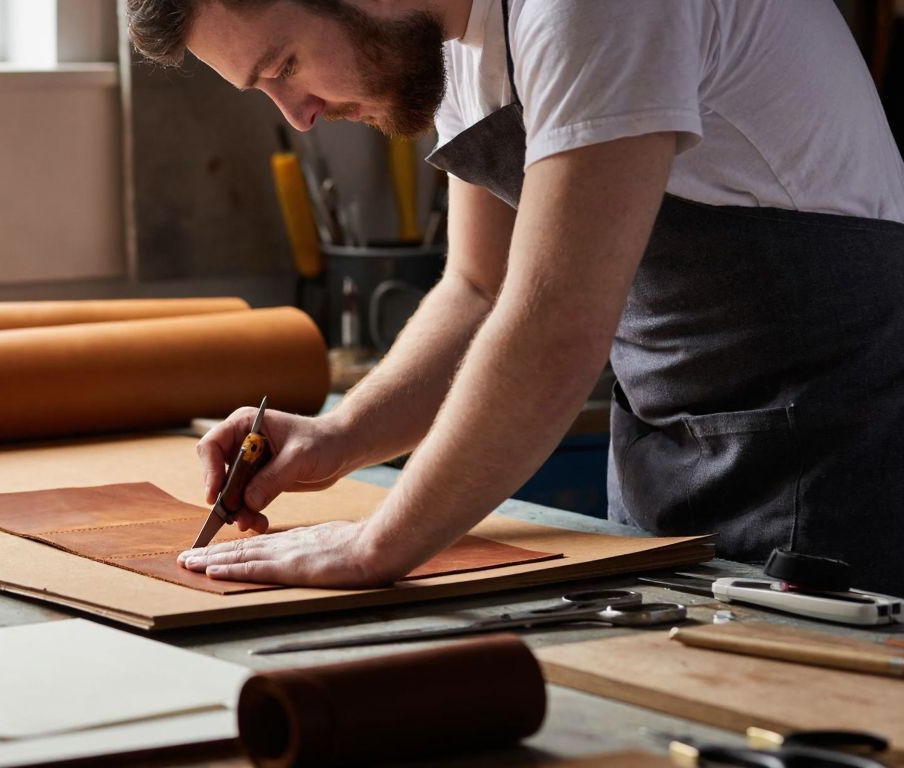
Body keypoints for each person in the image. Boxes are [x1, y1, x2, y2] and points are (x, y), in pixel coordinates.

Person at [126, 0, 904, 594]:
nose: (297, 114)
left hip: (833, 457)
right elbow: (480, 289)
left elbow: (555, 323)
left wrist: (377, 544)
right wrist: (339, 437)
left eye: (284, 65)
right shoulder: (456, 38)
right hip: (673, 460)